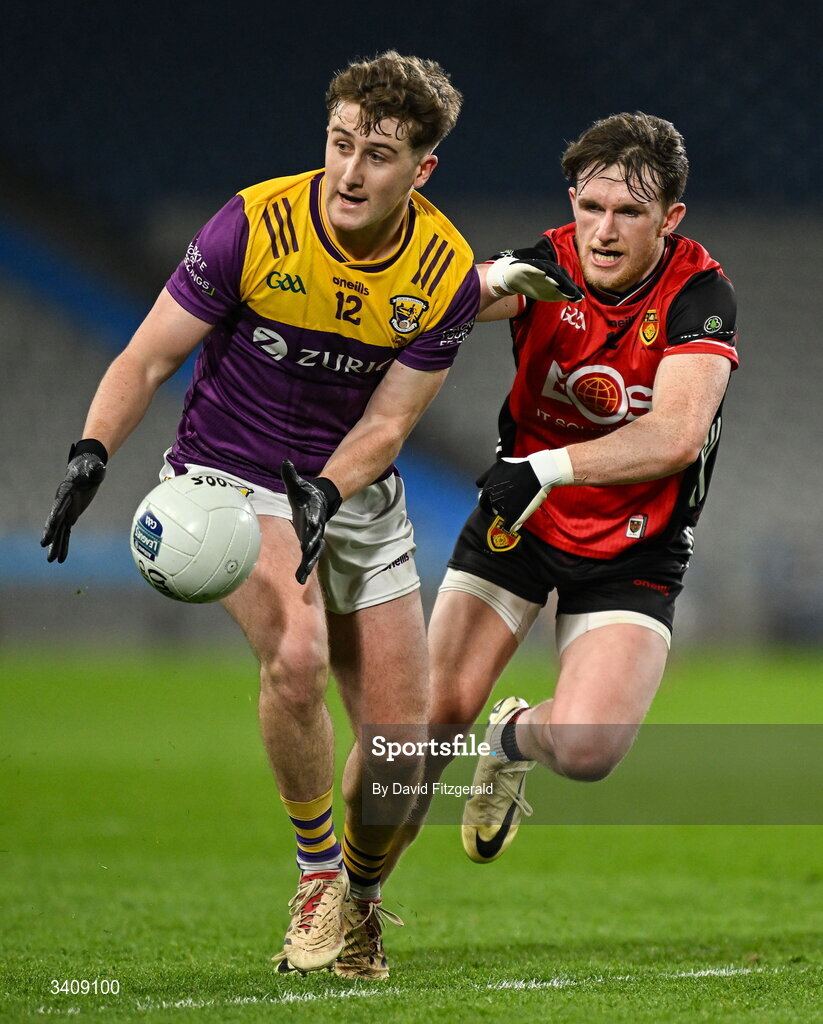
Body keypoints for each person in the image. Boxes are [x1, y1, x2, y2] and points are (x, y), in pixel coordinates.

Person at [40, 52, 579, 979]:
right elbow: (145, 360)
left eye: (377, 153)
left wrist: (330, 492)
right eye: (338, 144)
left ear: (422, 169)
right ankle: (315, 880)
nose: (349, 170)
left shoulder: (442, 269)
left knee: (405, 756)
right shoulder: (251, 225)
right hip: (226, 483)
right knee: (293, 658)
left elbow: (387, 421)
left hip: (353, 496)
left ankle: (358, 907)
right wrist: (93, 449)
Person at [382, 110, 739, 870]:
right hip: (520, 527)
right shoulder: (543, 264)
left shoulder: (698, 295)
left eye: (629, 213)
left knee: (586, 750)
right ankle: (354, 900)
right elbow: (419, 317)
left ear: (669, 219)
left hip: (630, 544)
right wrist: (469, 288)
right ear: (571, 200)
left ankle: (512, 739)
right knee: (430, 720)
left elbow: (673, 437)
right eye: (589, 207)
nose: (602, 232)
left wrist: (540, 468)